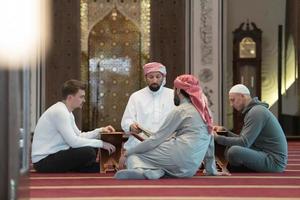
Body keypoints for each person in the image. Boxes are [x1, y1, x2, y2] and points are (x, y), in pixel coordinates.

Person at [115, 74, 225, 180]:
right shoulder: (206, 112)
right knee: (157, 155)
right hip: (190, 169)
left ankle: (140, 170)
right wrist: (211, 170)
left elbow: (156, 139)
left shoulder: (181, 110)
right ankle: (156, 172)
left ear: (178, 90)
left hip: (177, 156)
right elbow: (210, 142)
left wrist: (127, 153)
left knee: (134, 156)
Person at [31, 79, 116, 173]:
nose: (84, 100)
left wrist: (100, 131)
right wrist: (101, 144)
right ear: (70, 98)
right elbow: (74, 142)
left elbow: (79, 136)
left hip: (54, 155)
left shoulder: (67, 112)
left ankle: (86, 167)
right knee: (89, 151)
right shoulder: (60, 112)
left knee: (91, 148)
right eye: (81, 97)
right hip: (43, 161)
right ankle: (84, 167)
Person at [214, 84, 288, 172]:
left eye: (233, 100)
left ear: (242, 96)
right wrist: (225, 131)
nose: (231, 104)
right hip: (263, 152)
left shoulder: (256, 112)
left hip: (274, 162)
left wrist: (217, 138)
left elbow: (244, 143)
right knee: (231, 148)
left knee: (234, 151)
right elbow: (243, 140)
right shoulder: (254, 111)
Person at [121, 62, 174, 151]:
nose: (154, 80)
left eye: (158, 77)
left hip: (166, 146)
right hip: (139, 145)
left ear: (163, 78)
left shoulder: (172, 95)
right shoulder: (136, 96)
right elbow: (126, 120)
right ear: (145, 78)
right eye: (151, 77)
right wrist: (131, 126)